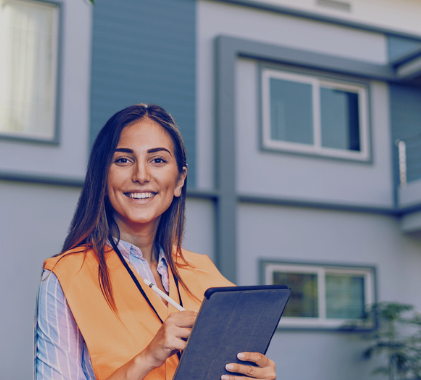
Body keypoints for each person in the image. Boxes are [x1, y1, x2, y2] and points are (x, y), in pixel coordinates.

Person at [34, 104, 277, 380]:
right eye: (123, 160)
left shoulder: (208, 276)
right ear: (102, 178)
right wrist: (148, 358)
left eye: (158, 160)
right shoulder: (66, 276)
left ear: (179, 181)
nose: (140, 175)